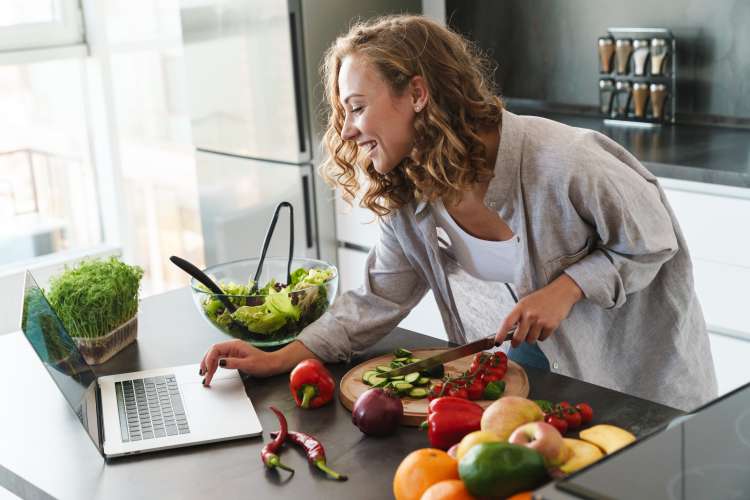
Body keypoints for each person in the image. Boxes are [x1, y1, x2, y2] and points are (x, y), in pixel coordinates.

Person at [199, 15, 717, 411]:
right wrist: (280, 357)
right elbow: (378, 298)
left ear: (418, 93)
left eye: (356, 107)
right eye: (343, 113)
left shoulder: (566, 160)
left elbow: (653, 239)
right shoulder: (409, 193)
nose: (348, 130)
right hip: (532, 392)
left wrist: (567, 289)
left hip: (639, 394)